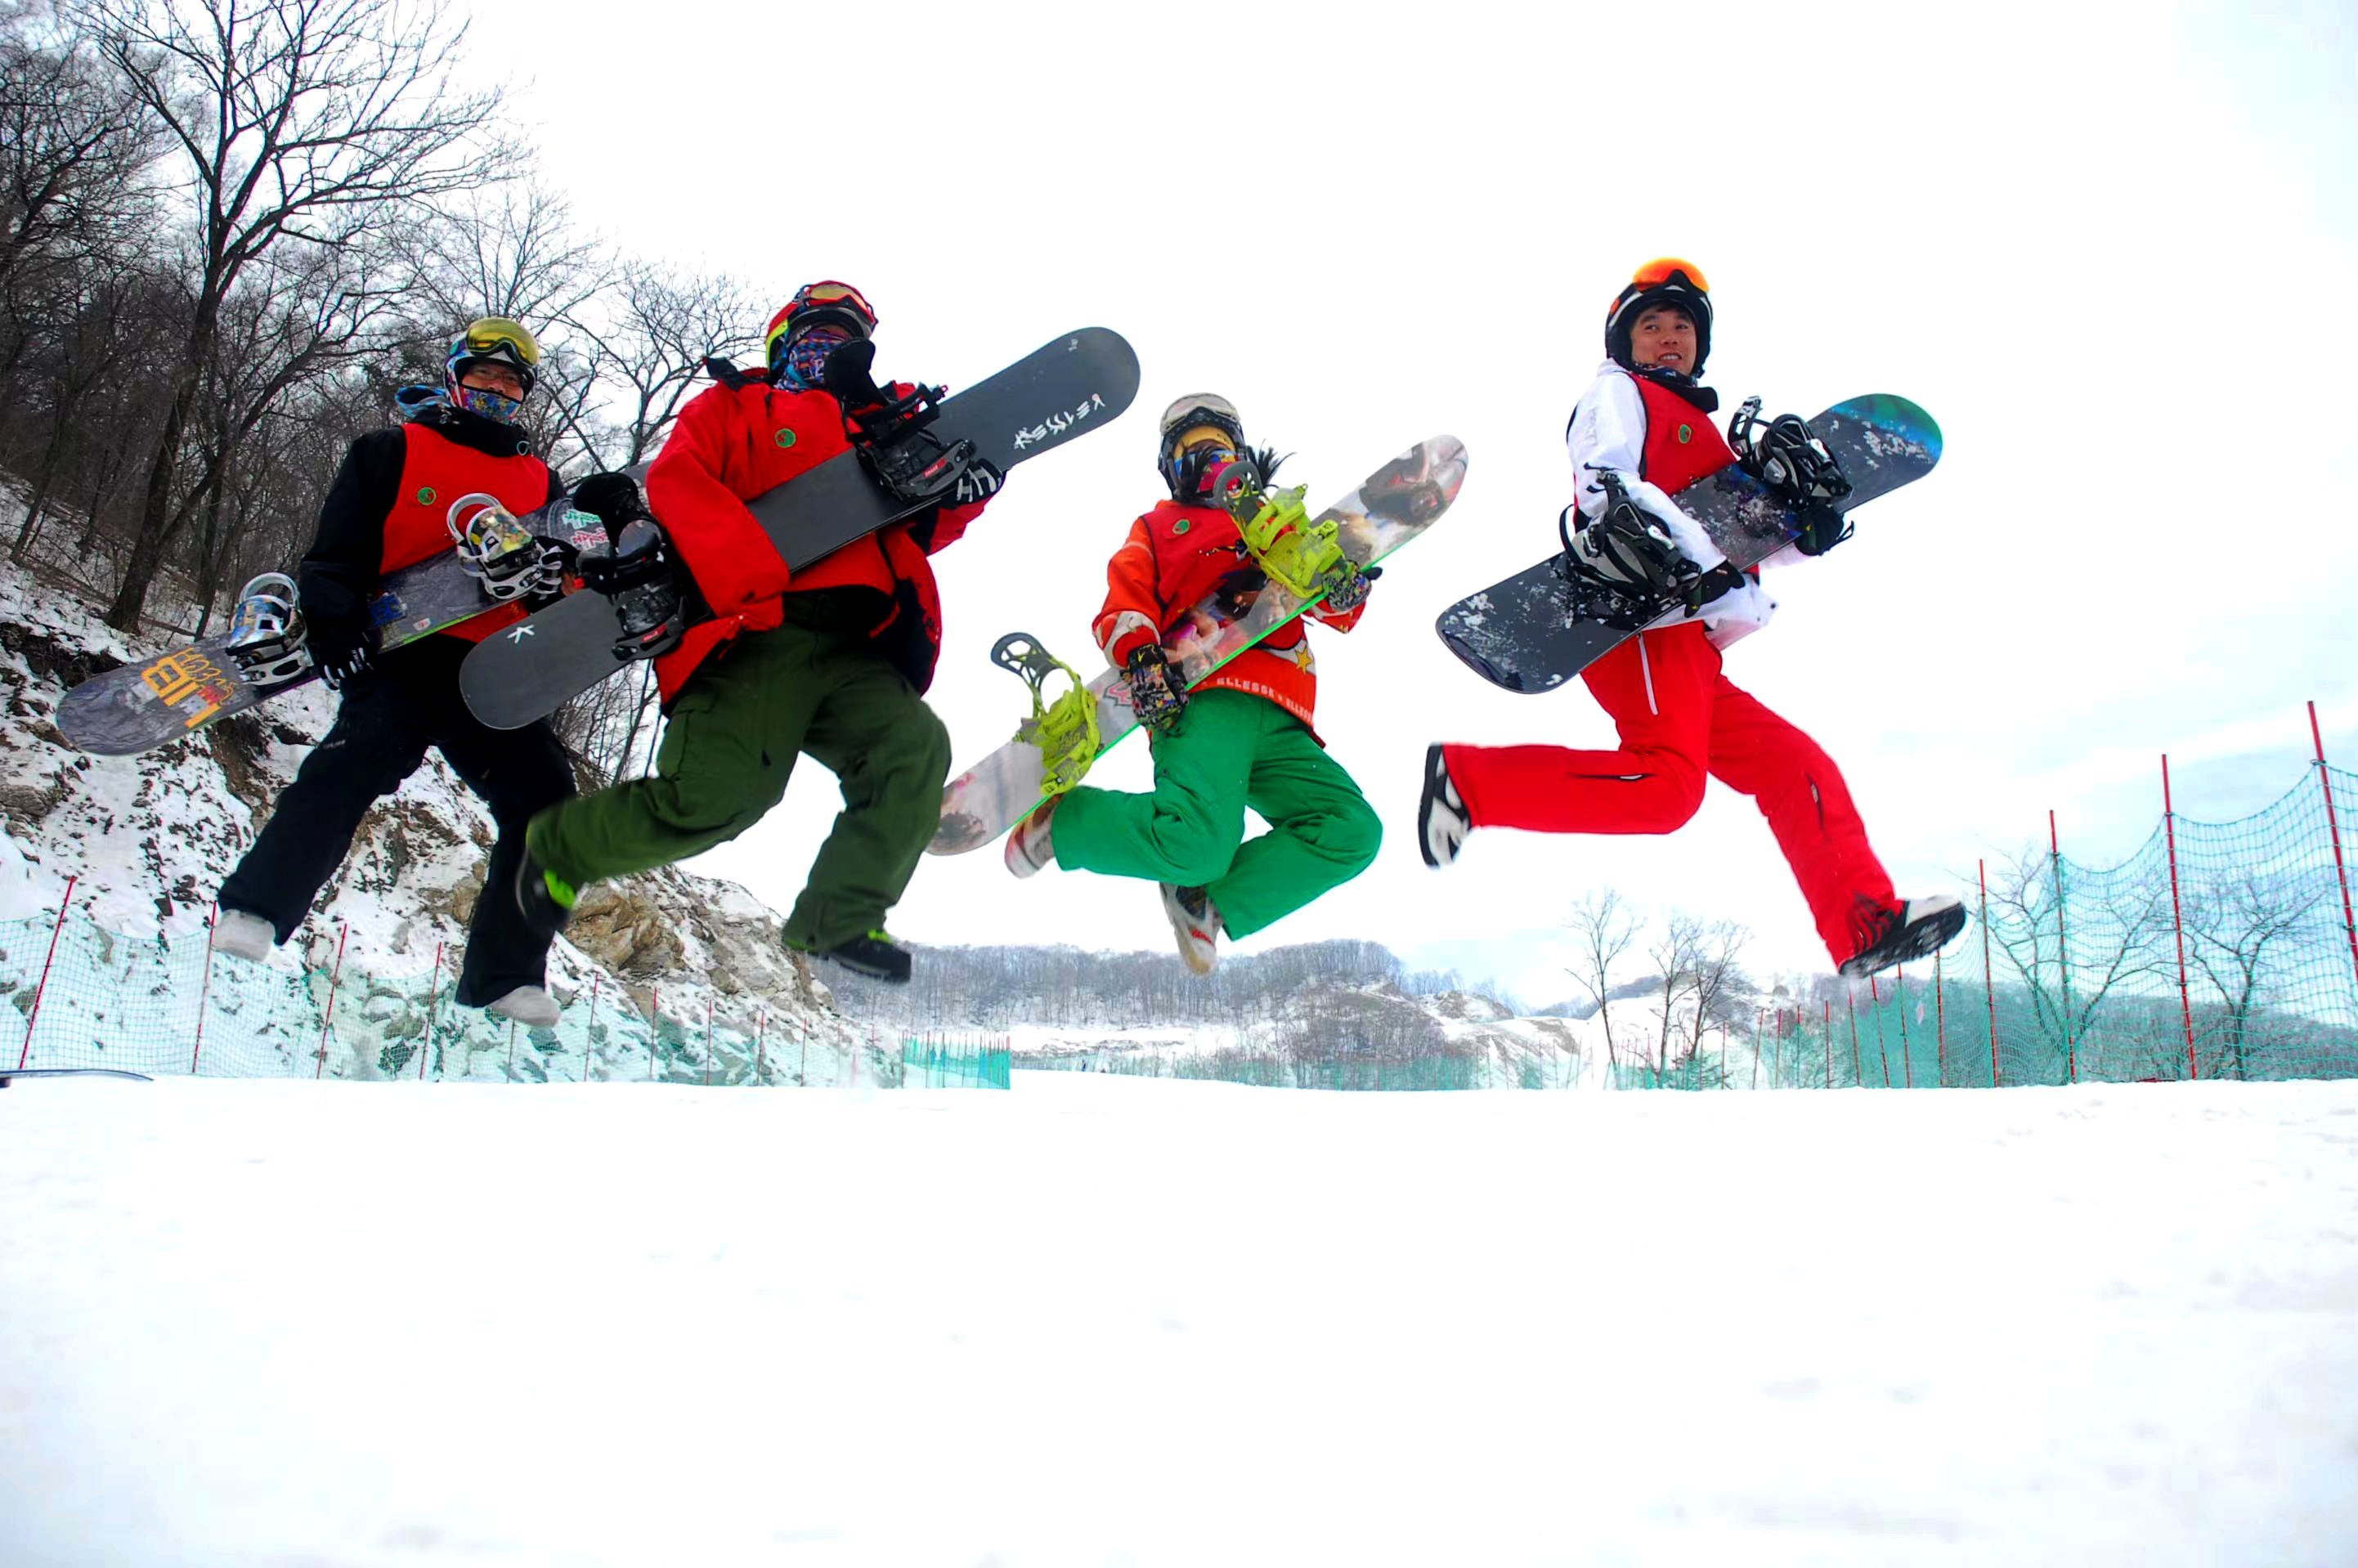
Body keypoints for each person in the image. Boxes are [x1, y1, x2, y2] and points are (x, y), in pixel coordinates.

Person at [1415, 260, 1963, 979]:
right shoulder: (1617, 394)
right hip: (1642, 622)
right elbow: (1606, 483)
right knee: (1669, 789)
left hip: (1695, 642)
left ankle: (1862, 923)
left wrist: (1804, 536)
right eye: (1652, 327)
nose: (1669, 338)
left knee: (1796, 768)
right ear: (1626, 341)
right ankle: (1469, 782)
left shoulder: (1703, 428)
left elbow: (1739, 534)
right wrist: (1662, 546)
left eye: (1682, 328)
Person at [513, 281, 997, 985]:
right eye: (813, 339)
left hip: (857, 640)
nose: (828, 351)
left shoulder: (876, 418)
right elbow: (680, 482)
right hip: (751, 630)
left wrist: (962, 492)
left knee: (912, 749)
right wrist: (749, 573)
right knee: (717, 799)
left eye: (843, 341)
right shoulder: (735, 407)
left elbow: (917, 526)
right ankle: (563, 847)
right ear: (780, 347)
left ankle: (839, 914)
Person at [211, 317, 576, 1026]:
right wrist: (336, 624)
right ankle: (256, 909)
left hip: (496, 668)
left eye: (510, 382)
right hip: (404, 659)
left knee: (550, 805)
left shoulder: (540, 478)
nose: (496, 390)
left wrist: (557, 578)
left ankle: (505, 975)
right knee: (351, 766)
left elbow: (544, 581)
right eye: (484, 376)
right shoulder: (389, 450)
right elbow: (335, 552)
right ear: (454, 376)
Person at [1002, 395, 1383, 974]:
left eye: (1220, 448)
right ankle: (1070, 823)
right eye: (1190, 452)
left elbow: (1328, 604)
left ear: (1243, 458)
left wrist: (1343, 590)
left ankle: (1206, 904)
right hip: (1205, 704)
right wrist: (1142, 657)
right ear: (1171, 468)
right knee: (1198, 846)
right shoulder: (1159, 528)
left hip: (1284, 716)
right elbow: (1124, 600)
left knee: (1352, 831)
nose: (1207, 460)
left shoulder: (1276, 526)